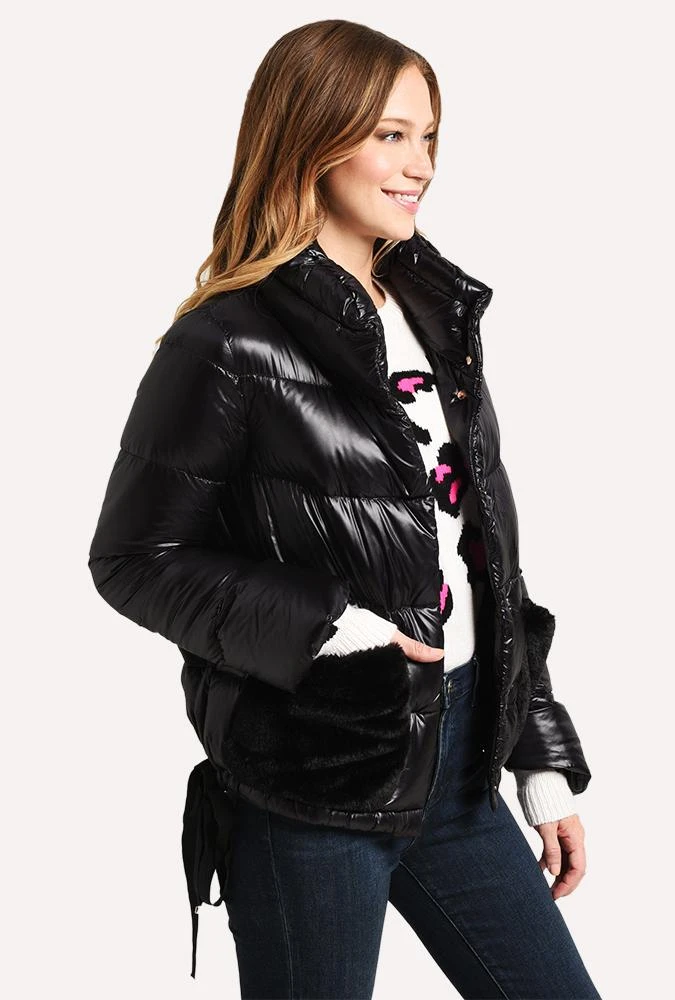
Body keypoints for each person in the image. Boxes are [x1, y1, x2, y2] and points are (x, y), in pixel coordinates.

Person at [88, 18, 600, 1000]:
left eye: (429, 137)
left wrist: (537, 758)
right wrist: (336, 628)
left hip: (458, 766)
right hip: (311, 783)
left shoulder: (438, 317)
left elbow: (485, 554)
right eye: (391, 136)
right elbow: (136, 558)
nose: (421, 166)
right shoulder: (227, 341)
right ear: (313, 139)